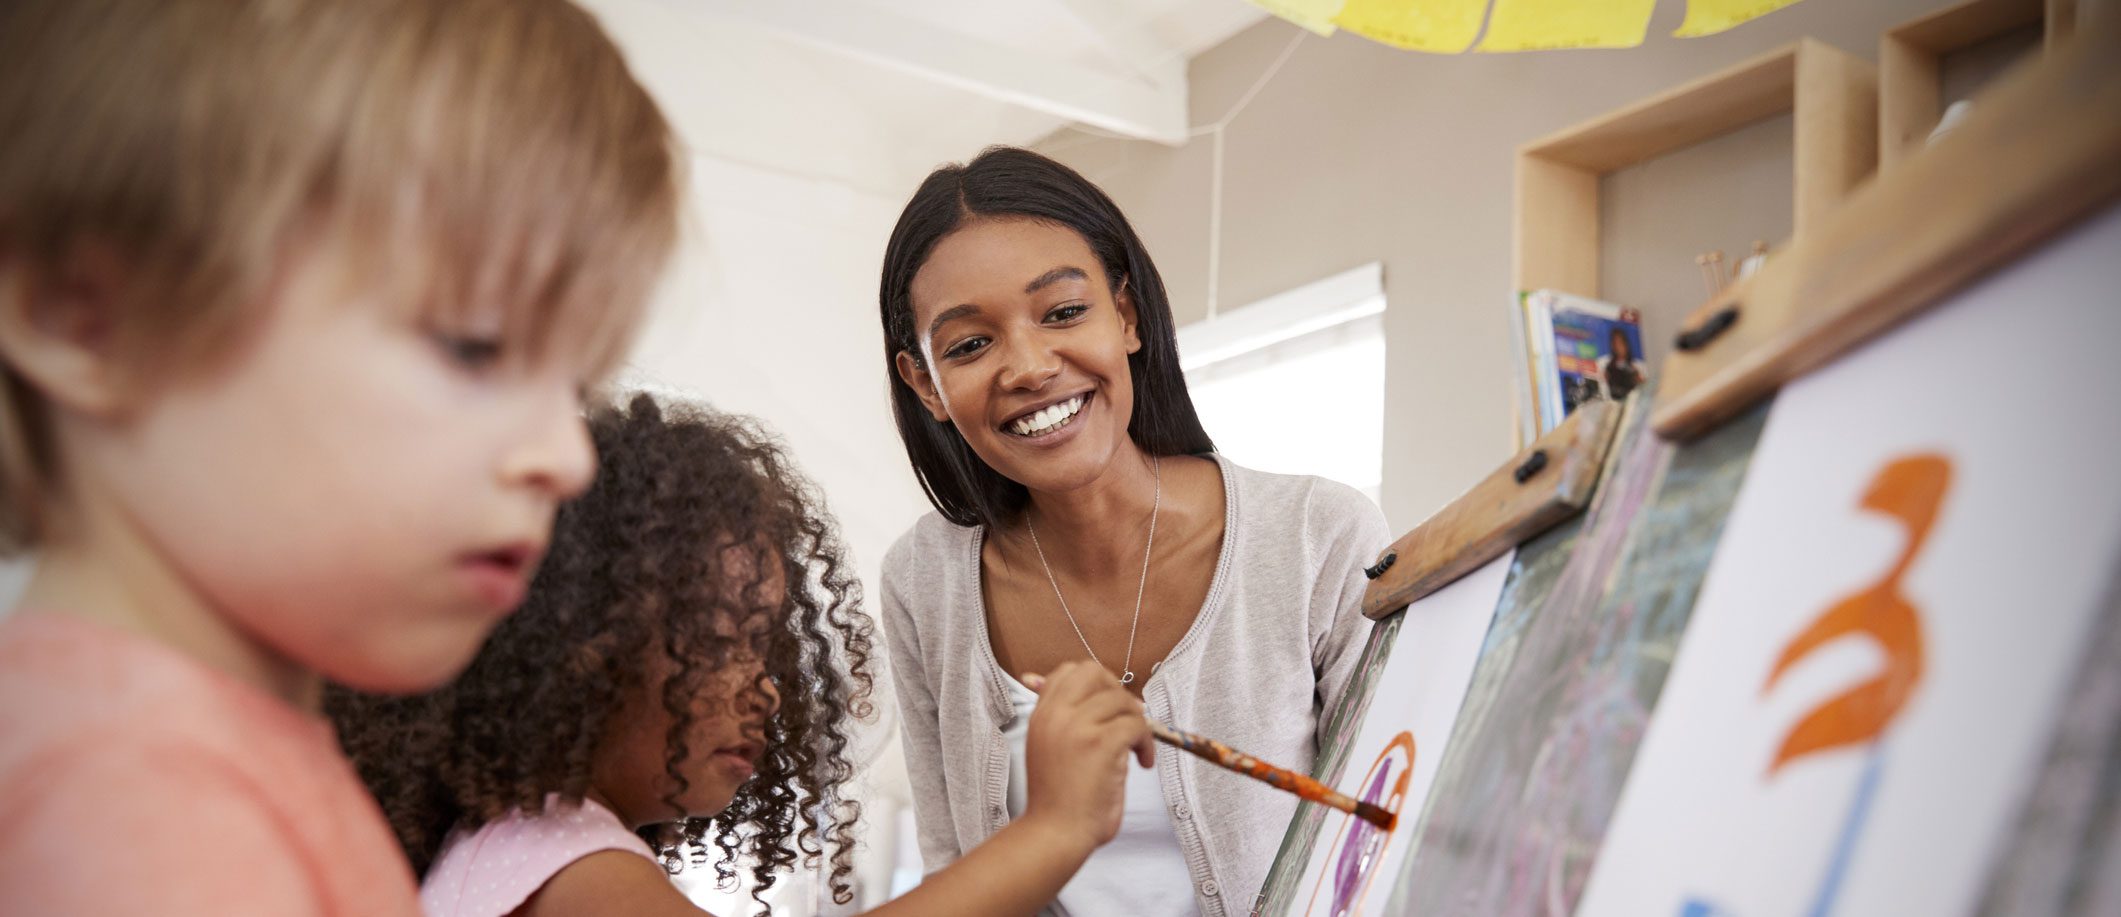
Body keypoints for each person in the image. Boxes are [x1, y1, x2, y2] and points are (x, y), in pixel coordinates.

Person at [0, 1, 680, 912]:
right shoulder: (137, 806)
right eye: (474, 345)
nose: (568, 457)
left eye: (577, 388)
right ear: (82, 316)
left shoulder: (204, 759)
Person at [329, 394, 1154, 917]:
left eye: (764, 645)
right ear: (581, 651)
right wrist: (1055, 825)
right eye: (720, 641)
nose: (764, 686)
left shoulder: (518, 846)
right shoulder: (558, 857)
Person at [876, 147, 1390, 916]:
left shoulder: (1319, 535)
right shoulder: (923, 580)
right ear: (927, 384)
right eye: (969, 344)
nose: (1028, 365)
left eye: (1062, 312)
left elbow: (1383, 837)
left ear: (1126, 316)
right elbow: (957, 871)